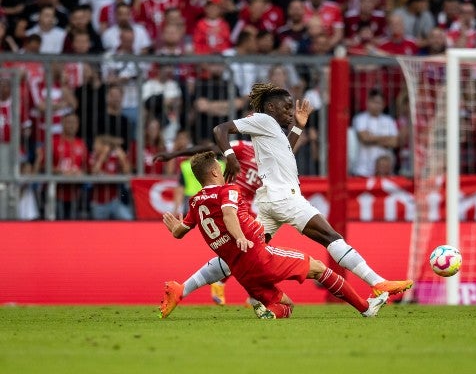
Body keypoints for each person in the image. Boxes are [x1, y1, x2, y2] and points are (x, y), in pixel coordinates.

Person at [213, 82, 413, 297]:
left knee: (244, 251)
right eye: (286, 108)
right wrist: (230, 157)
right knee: (331, 237)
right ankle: (377, 282)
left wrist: (299, 126)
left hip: (270, 200)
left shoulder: (271, 129)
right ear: (271, 107)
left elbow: (286, 150)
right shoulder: (263, 120)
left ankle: (184, 288)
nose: (290, 113)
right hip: (284, 199)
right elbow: (220, 129)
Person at [160, 151, 389, 319]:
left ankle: (270, 313)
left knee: (285, 305)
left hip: (240, 271)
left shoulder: (195, 201)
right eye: (220, 169)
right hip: (257, 255)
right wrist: (239, 236)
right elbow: (229, 214)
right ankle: (366, 308)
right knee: (319, 268)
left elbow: (181, 232)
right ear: (214, 171)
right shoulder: (228, 190)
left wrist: (175, 230)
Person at [154, 138, 260, 306]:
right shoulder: (243, 147)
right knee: (251, 249)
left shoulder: (273, 156)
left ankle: (249, 293)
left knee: (250, 251)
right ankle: (255, 295)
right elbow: (209, 149)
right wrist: (175, 154)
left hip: (250, 206)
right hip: (230, 203)